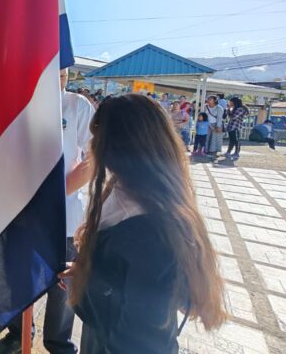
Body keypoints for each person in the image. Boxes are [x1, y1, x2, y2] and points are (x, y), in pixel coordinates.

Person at [66, 94, 227, 353]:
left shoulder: (149, 234)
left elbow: (142, 340)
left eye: (98, 135)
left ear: (119, 145)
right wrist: (86, 272)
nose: (92, 143)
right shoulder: (129, 189)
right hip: (103, 334)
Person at [0, 68, 96, 354]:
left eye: (63, 71)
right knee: (18, 278)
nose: (57, 76)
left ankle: (59, 343)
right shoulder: (18, 105)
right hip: (22, 217)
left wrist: (51, 197)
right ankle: (17, 334)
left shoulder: (77, 105)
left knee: (62, 288)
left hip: (64, 220)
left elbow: (95, 157)